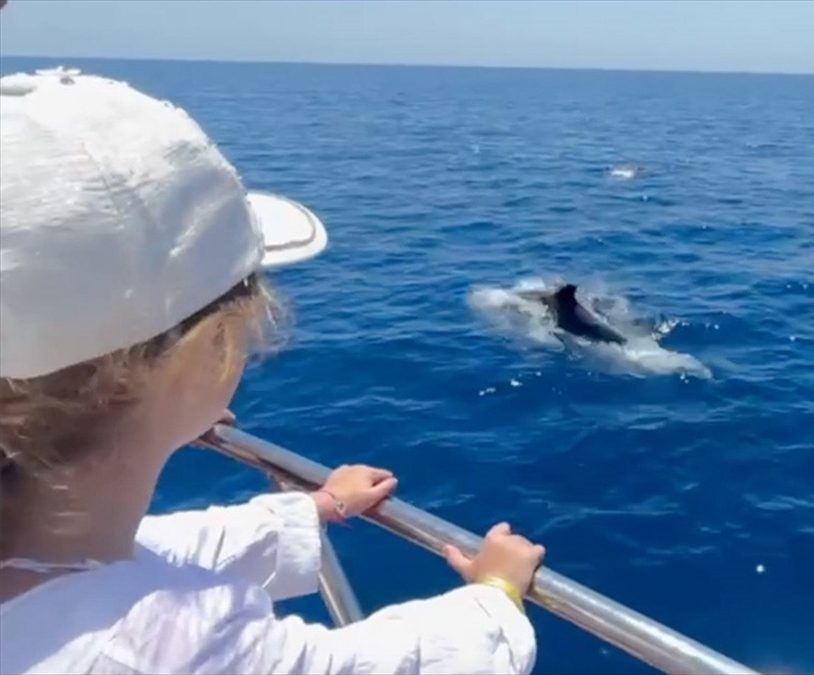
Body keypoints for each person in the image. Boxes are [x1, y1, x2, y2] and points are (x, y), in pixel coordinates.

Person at [0, 67, 545, 674]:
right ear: (200, 354)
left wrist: (311, 510)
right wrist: (494, 600)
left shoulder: (42, 560)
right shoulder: (173, 648)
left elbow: (135, 558)